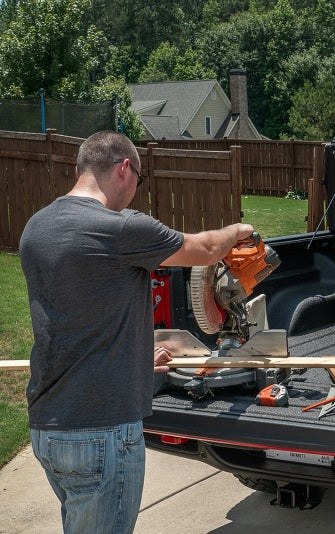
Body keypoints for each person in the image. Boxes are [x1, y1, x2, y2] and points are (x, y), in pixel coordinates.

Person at [19, 131, 253, 534]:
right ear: (125, 168)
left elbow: (79, 315)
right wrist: (240, 229)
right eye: (139, 181)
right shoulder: (121, 229)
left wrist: (137, 360)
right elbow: (205, 249)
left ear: (79, 171)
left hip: (48, 426)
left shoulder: (36, 227)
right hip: (101, 432)